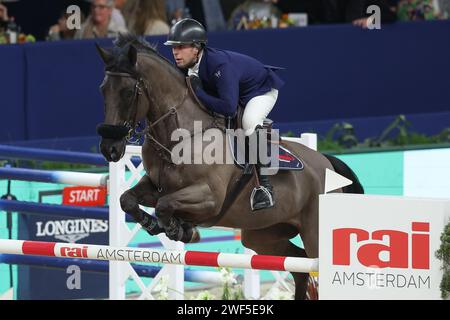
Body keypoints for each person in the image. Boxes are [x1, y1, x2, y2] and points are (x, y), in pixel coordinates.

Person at [164, 18, 284, 211]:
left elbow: (228, 107)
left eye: (180, 47)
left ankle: (264, 186)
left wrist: (200, 92)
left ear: (196, 48)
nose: (175, 52)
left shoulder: (220, 66)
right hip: (237, 90)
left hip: (260, 90)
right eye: (173, 47)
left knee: (249, 122)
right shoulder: (187, 63)